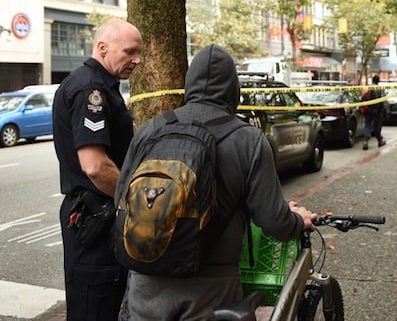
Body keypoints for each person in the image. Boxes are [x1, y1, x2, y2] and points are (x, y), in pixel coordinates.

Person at [123, 44, 317, 321]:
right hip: (212, 289)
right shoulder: (247, 139)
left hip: (145, 283)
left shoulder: (150, 130)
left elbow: (121, 200)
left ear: (188, 83)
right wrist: (298, 220)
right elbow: (274, 221)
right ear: (233, 90)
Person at [53, 18, 143, 320]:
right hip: (95, 220)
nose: (137, 60)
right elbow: (95, 167)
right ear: (103, 48)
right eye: (130, 51)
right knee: (94, 307)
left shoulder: (94, 85)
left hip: (96, 217)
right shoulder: (92, 90)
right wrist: (136, 201)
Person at [362, 74, 386, 150]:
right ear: (378, 81)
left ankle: (365, 142)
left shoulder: (368, 88)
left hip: (368, 110)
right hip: (377, 111)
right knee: (377, 127)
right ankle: (380, 140)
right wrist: (384, 110)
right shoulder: (380, 89)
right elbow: (382, 100)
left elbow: (363, 98)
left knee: (367, 126)